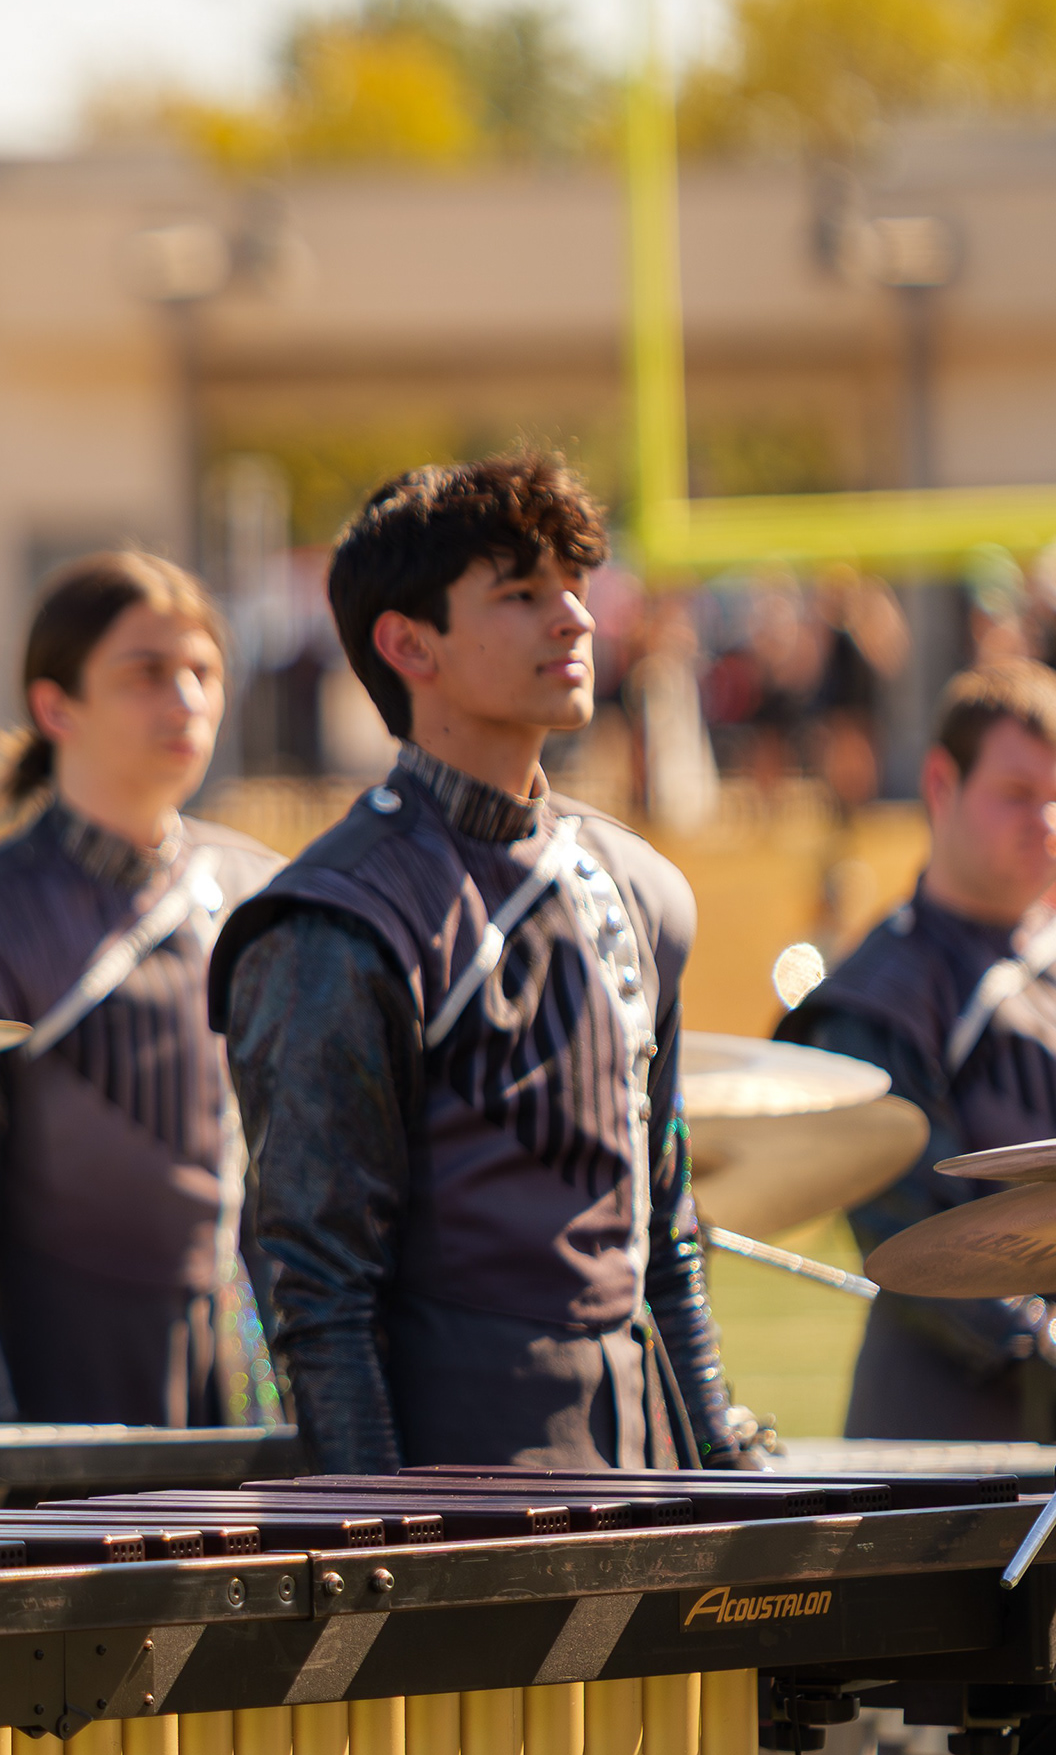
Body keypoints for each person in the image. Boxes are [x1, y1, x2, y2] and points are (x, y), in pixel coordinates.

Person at [210, 454, 749, 1473]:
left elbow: (667, 1235)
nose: (575, 617)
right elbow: (317, 1293)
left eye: (575, 585)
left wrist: (723, 1467)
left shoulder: (642, 889)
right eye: (521, 593)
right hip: (456, 1498)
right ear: (408, 643)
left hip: (642, 1477)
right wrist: (389, 1536)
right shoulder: (334, 922)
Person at [0, 551, 280, 1428]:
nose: (187, 701)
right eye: (146, 674)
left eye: (203, 672)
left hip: (260, 1396)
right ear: (55, 707)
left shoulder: (269, 899)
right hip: (68, 1407)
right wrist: (11, 1469)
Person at [777, 660, 1056, 1439]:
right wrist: (1040, 1341)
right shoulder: (879, 997)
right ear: (940, 784)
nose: (1046, 822)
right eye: (1017, 793)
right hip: (949, 1449)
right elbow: (919, 1235)